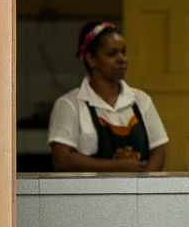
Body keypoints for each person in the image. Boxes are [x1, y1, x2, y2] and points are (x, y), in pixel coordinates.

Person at [47, 21, 168, 172]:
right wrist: (118, 167)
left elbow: (158, 151)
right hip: (89, 194)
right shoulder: (70, 104)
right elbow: (62, 160)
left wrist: (141, 187)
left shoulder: (141, 100)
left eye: (123, 52)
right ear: (91, 58)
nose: (122, 59)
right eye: (112, 53)